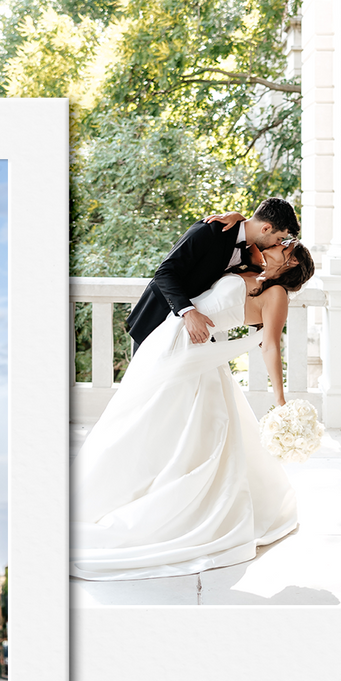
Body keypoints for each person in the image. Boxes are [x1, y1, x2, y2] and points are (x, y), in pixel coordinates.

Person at [71, 224, 315, 582]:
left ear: (290, 267)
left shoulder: (277, 294)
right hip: (170, 338)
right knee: (138, 418)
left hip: (194, 355)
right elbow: (227, 246)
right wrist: (226, 217)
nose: (280, 246)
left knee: (175, 430)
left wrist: (280, 401)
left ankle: (168, 501)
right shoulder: (250, 268)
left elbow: (270, 345)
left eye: (286, 249)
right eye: (282, 241)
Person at [122, 198, 300, 354]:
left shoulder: (252, 252)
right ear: (266, 228)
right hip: (158, 318)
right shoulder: (210, 230)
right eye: (279, 239)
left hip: (194, 334)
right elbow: (164, 273)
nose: (277, 244)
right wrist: (188, 312)